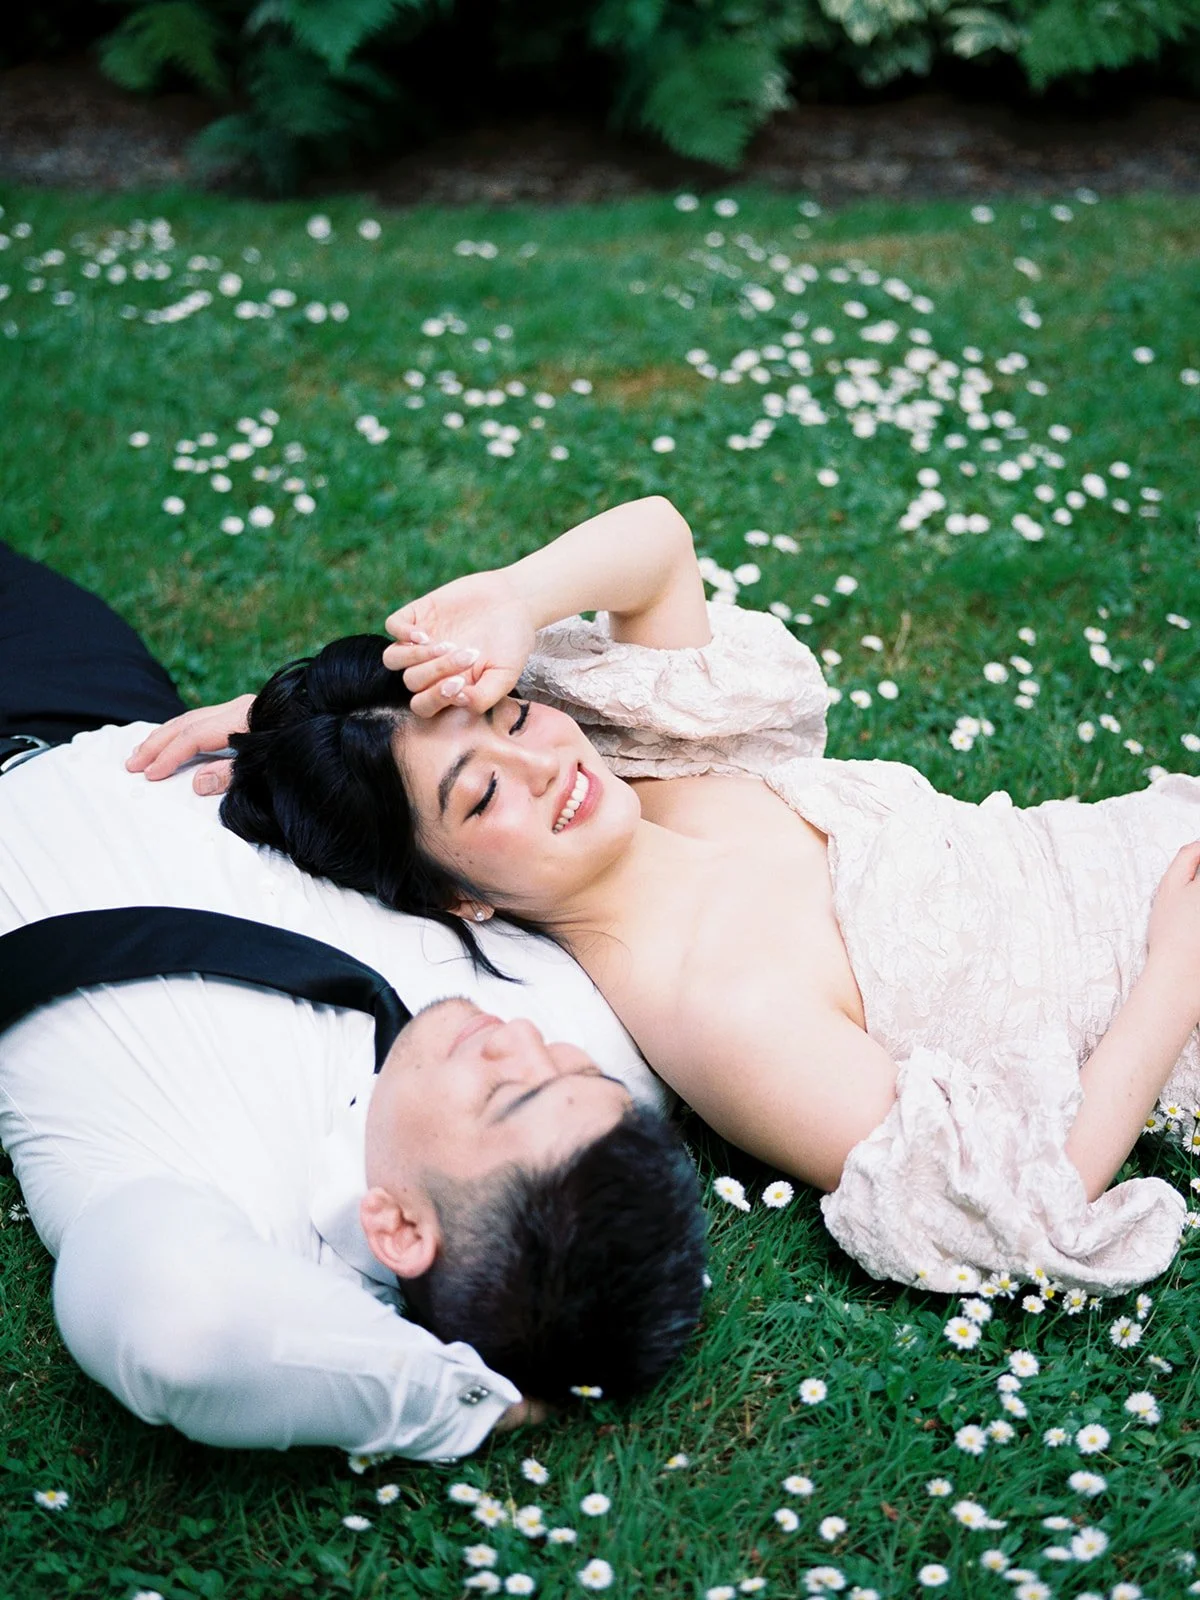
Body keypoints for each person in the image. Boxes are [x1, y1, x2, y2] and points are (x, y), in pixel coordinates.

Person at [136, 495, 1200, 1297]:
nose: (545, 763)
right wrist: (1172, 971)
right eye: (482, 793)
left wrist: (513, 597)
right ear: (459, 899)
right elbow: (1027, 1201)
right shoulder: (719, 1015)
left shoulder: (665, 761)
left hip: (1151, 833)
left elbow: (656, 541)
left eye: (511, 720)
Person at [0, 540, 707, 1459]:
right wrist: (291, 733)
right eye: (569, 1069)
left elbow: (185, 1337)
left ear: (402, 1228)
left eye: (512, 1094)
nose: (527, 1043)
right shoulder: (585, 1057)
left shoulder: (222, 1221)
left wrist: (472, 1406)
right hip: (96, 707)